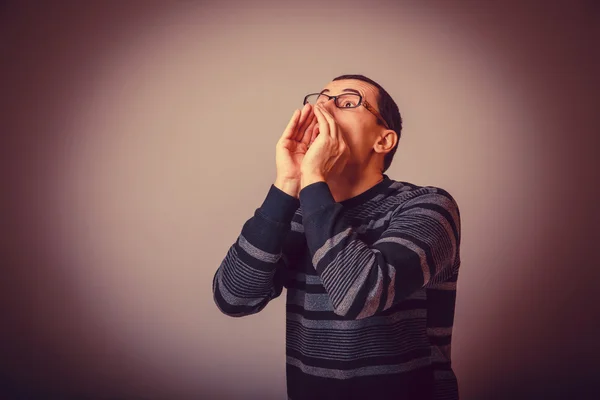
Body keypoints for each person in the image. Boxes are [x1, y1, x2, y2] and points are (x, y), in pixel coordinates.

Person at [212, 74, 461, 400]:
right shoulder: (303, 214)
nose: (324, 107)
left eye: (346, 102)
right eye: (322, 99)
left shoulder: (428, 206)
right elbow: (233, 298)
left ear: (383, 141)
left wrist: (313, 178)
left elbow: (359, 296)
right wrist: (288, 182)